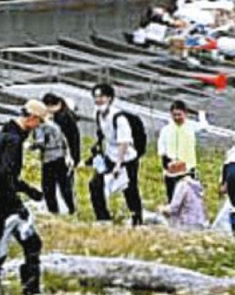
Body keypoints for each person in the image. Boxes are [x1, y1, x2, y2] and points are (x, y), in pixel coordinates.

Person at [0, 100, 45, 295]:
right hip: (3, 201)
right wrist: (18, 204)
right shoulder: (13, 140)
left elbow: (5, 174)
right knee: (31, 243)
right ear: (32, 118)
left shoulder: (7, 134)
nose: (39, 127)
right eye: (40, 122)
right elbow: (6, 174)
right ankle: (30, 291)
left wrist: (29, 190)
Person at [88, 82, 143, 226]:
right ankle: (103, 218)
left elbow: (124, 142)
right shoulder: (98, 114)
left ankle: (136, 219)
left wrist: (118, 164)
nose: (98, 100)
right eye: (96, 97)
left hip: (126, 159)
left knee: (129, 189)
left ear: (110, 98)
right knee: (95, 185)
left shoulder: (119, 117)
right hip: (109, 155)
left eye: (102, 97)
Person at [34, 93, 80, 215]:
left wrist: (74, 158)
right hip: (49, 156)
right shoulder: (47, 118)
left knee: (63, 184)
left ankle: (70, 209)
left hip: (62, 156)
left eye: (50, 107)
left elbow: (73, 138)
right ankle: (54, 210)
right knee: (49, 186)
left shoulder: (65, 118)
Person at [156, 100, 199, 202]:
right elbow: (161, 148)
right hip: (171, 168)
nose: (177, 118)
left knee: (188, 197)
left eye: (179, 115)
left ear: (185, 114)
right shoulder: (166, 130)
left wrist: (201, 115)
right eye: (174, 115)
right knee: (172, 196)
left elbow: (204, 125)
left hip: (187, 168)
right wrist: (167, 161)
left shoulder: (191, 127)